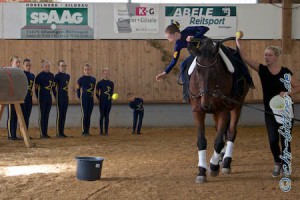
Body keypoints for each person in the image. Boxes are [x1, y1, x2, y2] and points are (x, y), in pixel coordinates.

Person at [236, 37, 300, 177]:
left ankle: (286, 166)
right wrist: (238, 43)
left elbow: (298, 87)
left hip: (285, 111)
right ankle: (278, 162)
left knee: (285, 141)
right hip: (269, 111)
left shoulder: (285, 72)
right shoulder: (262, 70)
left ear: (276, 57)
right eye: (265, 54)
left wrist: (287, 92)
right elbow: (245, 58)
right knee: (272, 140)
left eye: (269, 55)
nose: (267, 57)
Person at [155, 22, 209, 102]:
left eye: (169, 37)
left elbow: (205, 28)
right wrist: (165, 72)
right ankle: (187, 92)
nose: (169, 40)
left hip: (206, 48)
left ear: (176, 34)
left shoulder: (188, 30)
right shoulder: (178, 45)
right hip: (196, 54)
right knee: (183, 64)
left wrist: (194, 37)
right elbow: (174, 60)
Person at [35, 60, 55, 139]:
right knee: (42, 115)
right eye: (46, 67)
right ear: (42, 67)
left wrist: (55, 96)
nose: (47, 68)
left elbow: (53, 87)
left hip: (49, 98)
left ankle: (45, 132)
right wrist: (38, 98)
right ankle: (42, 133)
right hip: (42, 98)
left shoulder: (52, 75)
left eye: (48, 67)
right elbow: (36, 89)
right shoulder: (39, 76)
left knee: (47, 115)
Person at [77, 63, 96, 136]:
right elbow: (78, 89)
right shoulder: (80, 79)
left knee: (89, 115)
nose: (87, 71)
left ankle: (87, 130)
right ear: (83, 71)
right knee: (84, 114)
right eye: (85, 70)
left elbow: (93, 89)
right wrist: (79, 97)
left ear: (90, 70)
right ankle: (83, 131)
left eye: (88, 69)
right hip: (83, 99)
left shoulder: (93, 79)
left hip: (90, 99)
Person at [53, 60, 70, 138]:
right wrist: (56, 96)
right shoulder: (56, 76)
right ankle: (58, 132)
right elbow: (53, 87)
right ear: (58, 67)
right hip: (59, 97)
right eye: (62, 66)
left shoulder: (67, 76)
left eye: (64, 65)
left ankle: (62, 131)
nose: (63, 67)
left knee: (64, 114)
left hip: (65, 97)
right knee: (60, 114)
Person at [7, 56, 22, 140]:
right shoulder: (8, 71)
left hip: (16, 97)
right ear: (12, 63)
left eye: (19, 62)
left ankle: (14, 134)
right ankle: (10, 134)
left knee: (16, 115)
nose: (18, 64)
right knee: (11, 116)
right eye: (17, 62)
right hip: (9, 97)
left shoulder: (18, 72)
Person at [96, 68, 114, 135]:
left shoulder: (111, 83)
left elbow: (111, 92)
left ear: (109, 74)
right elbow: (96, 93)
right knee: (101, 116)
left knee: (107, 116)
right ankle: (101, 131)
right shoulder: (99, 83)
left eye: (107, 74)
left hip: (109, 102)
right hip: (102, 102)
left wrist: (110, 98)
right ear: (102, 74)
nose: (106, 75)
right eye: (104, 73)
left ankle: (106, 131)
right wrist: (100, 99)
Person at [21, 58, 35, 131]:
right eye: (27, 65)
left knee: (27, 116)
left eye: (29, 65)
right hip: (23, 98)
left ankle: (26, 132)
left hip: (29, 98)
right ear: (23, 66)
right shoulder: (21, 75)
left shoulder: (32, 75)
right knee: (22, 117)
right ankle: (22, 133)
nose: (28, 67)